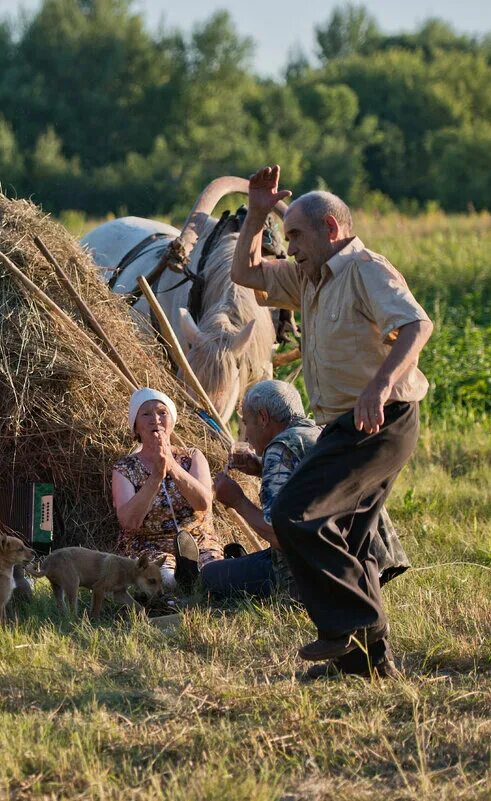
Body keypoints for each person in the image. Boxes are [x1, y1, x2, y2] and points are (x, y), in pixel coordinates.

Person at [231, 165, 433, 679]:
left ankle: (350, 626)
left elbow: (416, 324)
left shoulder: (367, 269)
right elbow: (246, 275)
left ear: (332, 230)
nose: (289, 244)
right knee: (353, 537)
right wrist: (256, 216)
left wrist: (380, 385)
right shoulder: (309, 277)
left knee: (295, 512)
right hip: (347, 422)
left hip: (381, 418)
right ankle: (368, 663)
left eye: (295, 234)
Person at [203, 380, 320, 598]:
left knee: (210, 576)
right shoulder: (318, 432)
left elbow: (280, 536)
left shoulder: (279, 448)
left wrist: (237, 500)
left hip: (309, 576)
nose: (246, 435)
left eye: (247, 423)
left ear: (264, 418)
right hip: (351, 565)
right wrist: (262, 469)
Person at [111, 388, 221, 591]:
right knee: (165, 580)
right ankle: (182, 581)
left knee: (215, 576)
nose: (155, 419)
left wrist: (171, 465)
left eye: (162, 412)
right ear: (136, 427)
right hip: (148, 546)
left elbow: (203, 504)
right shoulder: (124, 468)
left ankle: (197, 572)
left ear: (172, 421)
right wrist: (155, 477)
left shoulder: (193, 457)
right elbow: (128, 522)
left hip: (198, 541)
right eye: (146, 414)